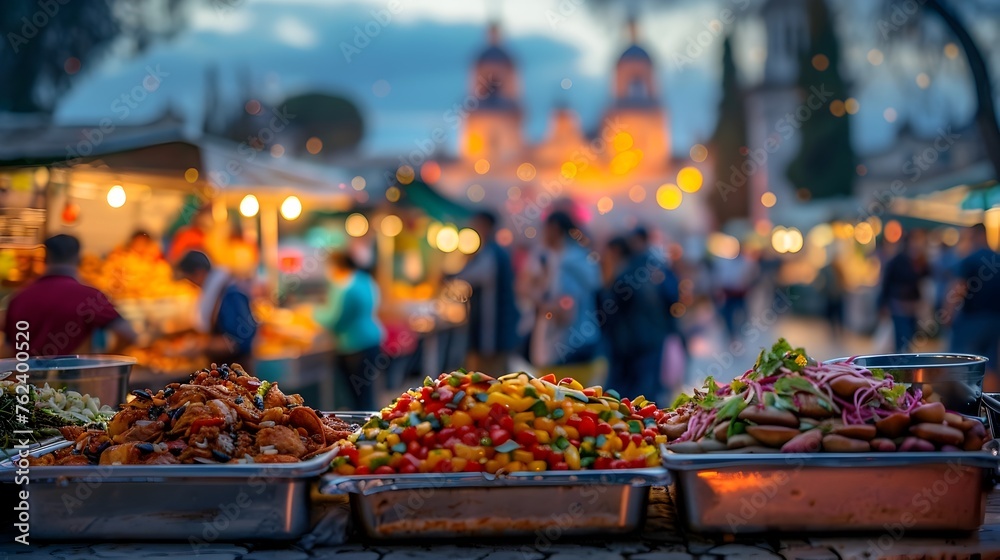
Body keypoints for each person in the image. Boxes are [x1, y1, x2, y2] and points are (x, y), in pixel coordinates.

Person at [3, 234, 137, 357]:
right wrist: (106, 361)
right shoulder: (89, 298)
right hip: (74, 380)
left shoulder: (20, 298)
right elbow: (129, 334)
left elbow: (8, 348)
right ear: (78, 259)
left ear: (45, 259)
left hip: (26, 379)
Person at [527, 211, 602, 376]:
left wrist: (542, 307)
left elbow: (566, 307)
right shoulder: (580, 257)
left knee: (562, 397)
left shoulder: (567, 262)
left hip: (566, 344)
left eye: (545, 228)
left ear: (554, 229)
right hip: (585, 339)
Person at [313, 251, 385, 411]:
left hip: (354, 346)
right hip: (373, 340)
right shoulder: (364, 279)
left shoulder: (343, 286)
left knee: (356, 397)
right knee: (367, 393)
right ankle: (371, 429)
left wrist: (313, 314)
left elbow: (335, 319)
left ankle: (361, 432)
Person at [600, 236, 669, 401]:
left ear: (615, 252)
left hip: (632, 345)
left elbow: (609, 312)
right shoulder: (639, 271)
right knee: (645, 394)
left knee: (629, 396)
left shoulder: (622, 278)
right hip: (648, 341)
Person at [454, 211, 520, 374]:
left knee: (487, 377)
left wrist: (449, 275)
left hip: (491, 330)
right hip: (494, 329)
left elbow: (470, 275)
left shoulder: (491, 253)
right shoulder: (495, 252)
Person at [175, 251, 257, 366]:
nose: (191, 284)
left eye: (190, 279)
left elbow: (238, 341)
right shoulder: (214, 292)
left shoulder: (231, 295)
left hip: (236, 370)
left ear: (199, 272)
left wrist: (203, 346)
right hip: (222, 368)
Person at [949, 224, 1000, 387]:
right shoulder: (997, 259)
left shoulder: (969, 260)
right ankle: (990, 403)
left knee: (961, 363)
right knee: (991, 365)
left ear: (976, 235)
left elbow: (958, 288)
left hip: (971, 321)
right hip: (994, 321)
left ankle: (965, 402)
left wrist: (948, 313)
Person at [878, 230, 929, 353]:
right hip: (899, 306)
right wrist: (882, 304)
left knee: (909, 338)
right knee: (902, 339)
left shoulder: (920, 261)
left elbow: (924, 280)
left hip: (912, 307)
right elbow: (887, 283)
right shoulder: (897, 261)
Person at [712, 248, 758, 343]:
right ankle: (731, 334)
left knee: (742, 316)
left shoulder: (746, 263)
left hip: (741, 295)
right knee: (728, 315)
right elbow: (722, 277)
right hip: (729, 295)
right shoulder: (727, 263)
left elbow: (752, 276)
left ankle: (739, 334)